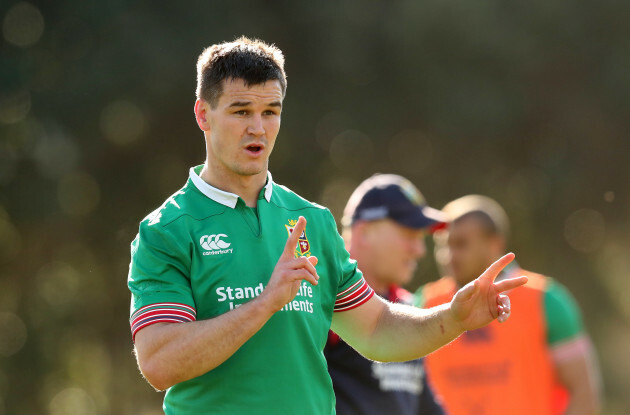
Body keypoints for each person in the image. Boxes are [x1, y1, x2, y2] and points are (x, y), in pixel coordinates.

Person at [126, 37, 527, 415]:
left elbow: (376, 329)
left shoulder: (311, 222)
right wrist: (266, 303)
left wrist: (453, 317)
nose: (258, 128)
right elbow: (160, 363)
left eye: (270, 112)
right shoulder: (166, 231)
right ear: (203, 115)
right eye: (240, 110)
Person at [417, 195, 602, 415]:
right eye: (443, 245)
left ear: (495, 243)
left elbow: (584, 393)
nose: (449, 256)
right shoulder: (423, 303)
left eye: (461, 244)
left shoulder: (546, 301)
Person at [324, 174, 446, 415]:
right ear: (364, 232)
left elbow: (423, 404)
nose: (420, 250)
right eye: (410, 234)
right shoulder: (323, 297)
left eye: (422, 238)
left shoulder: (409, 305)